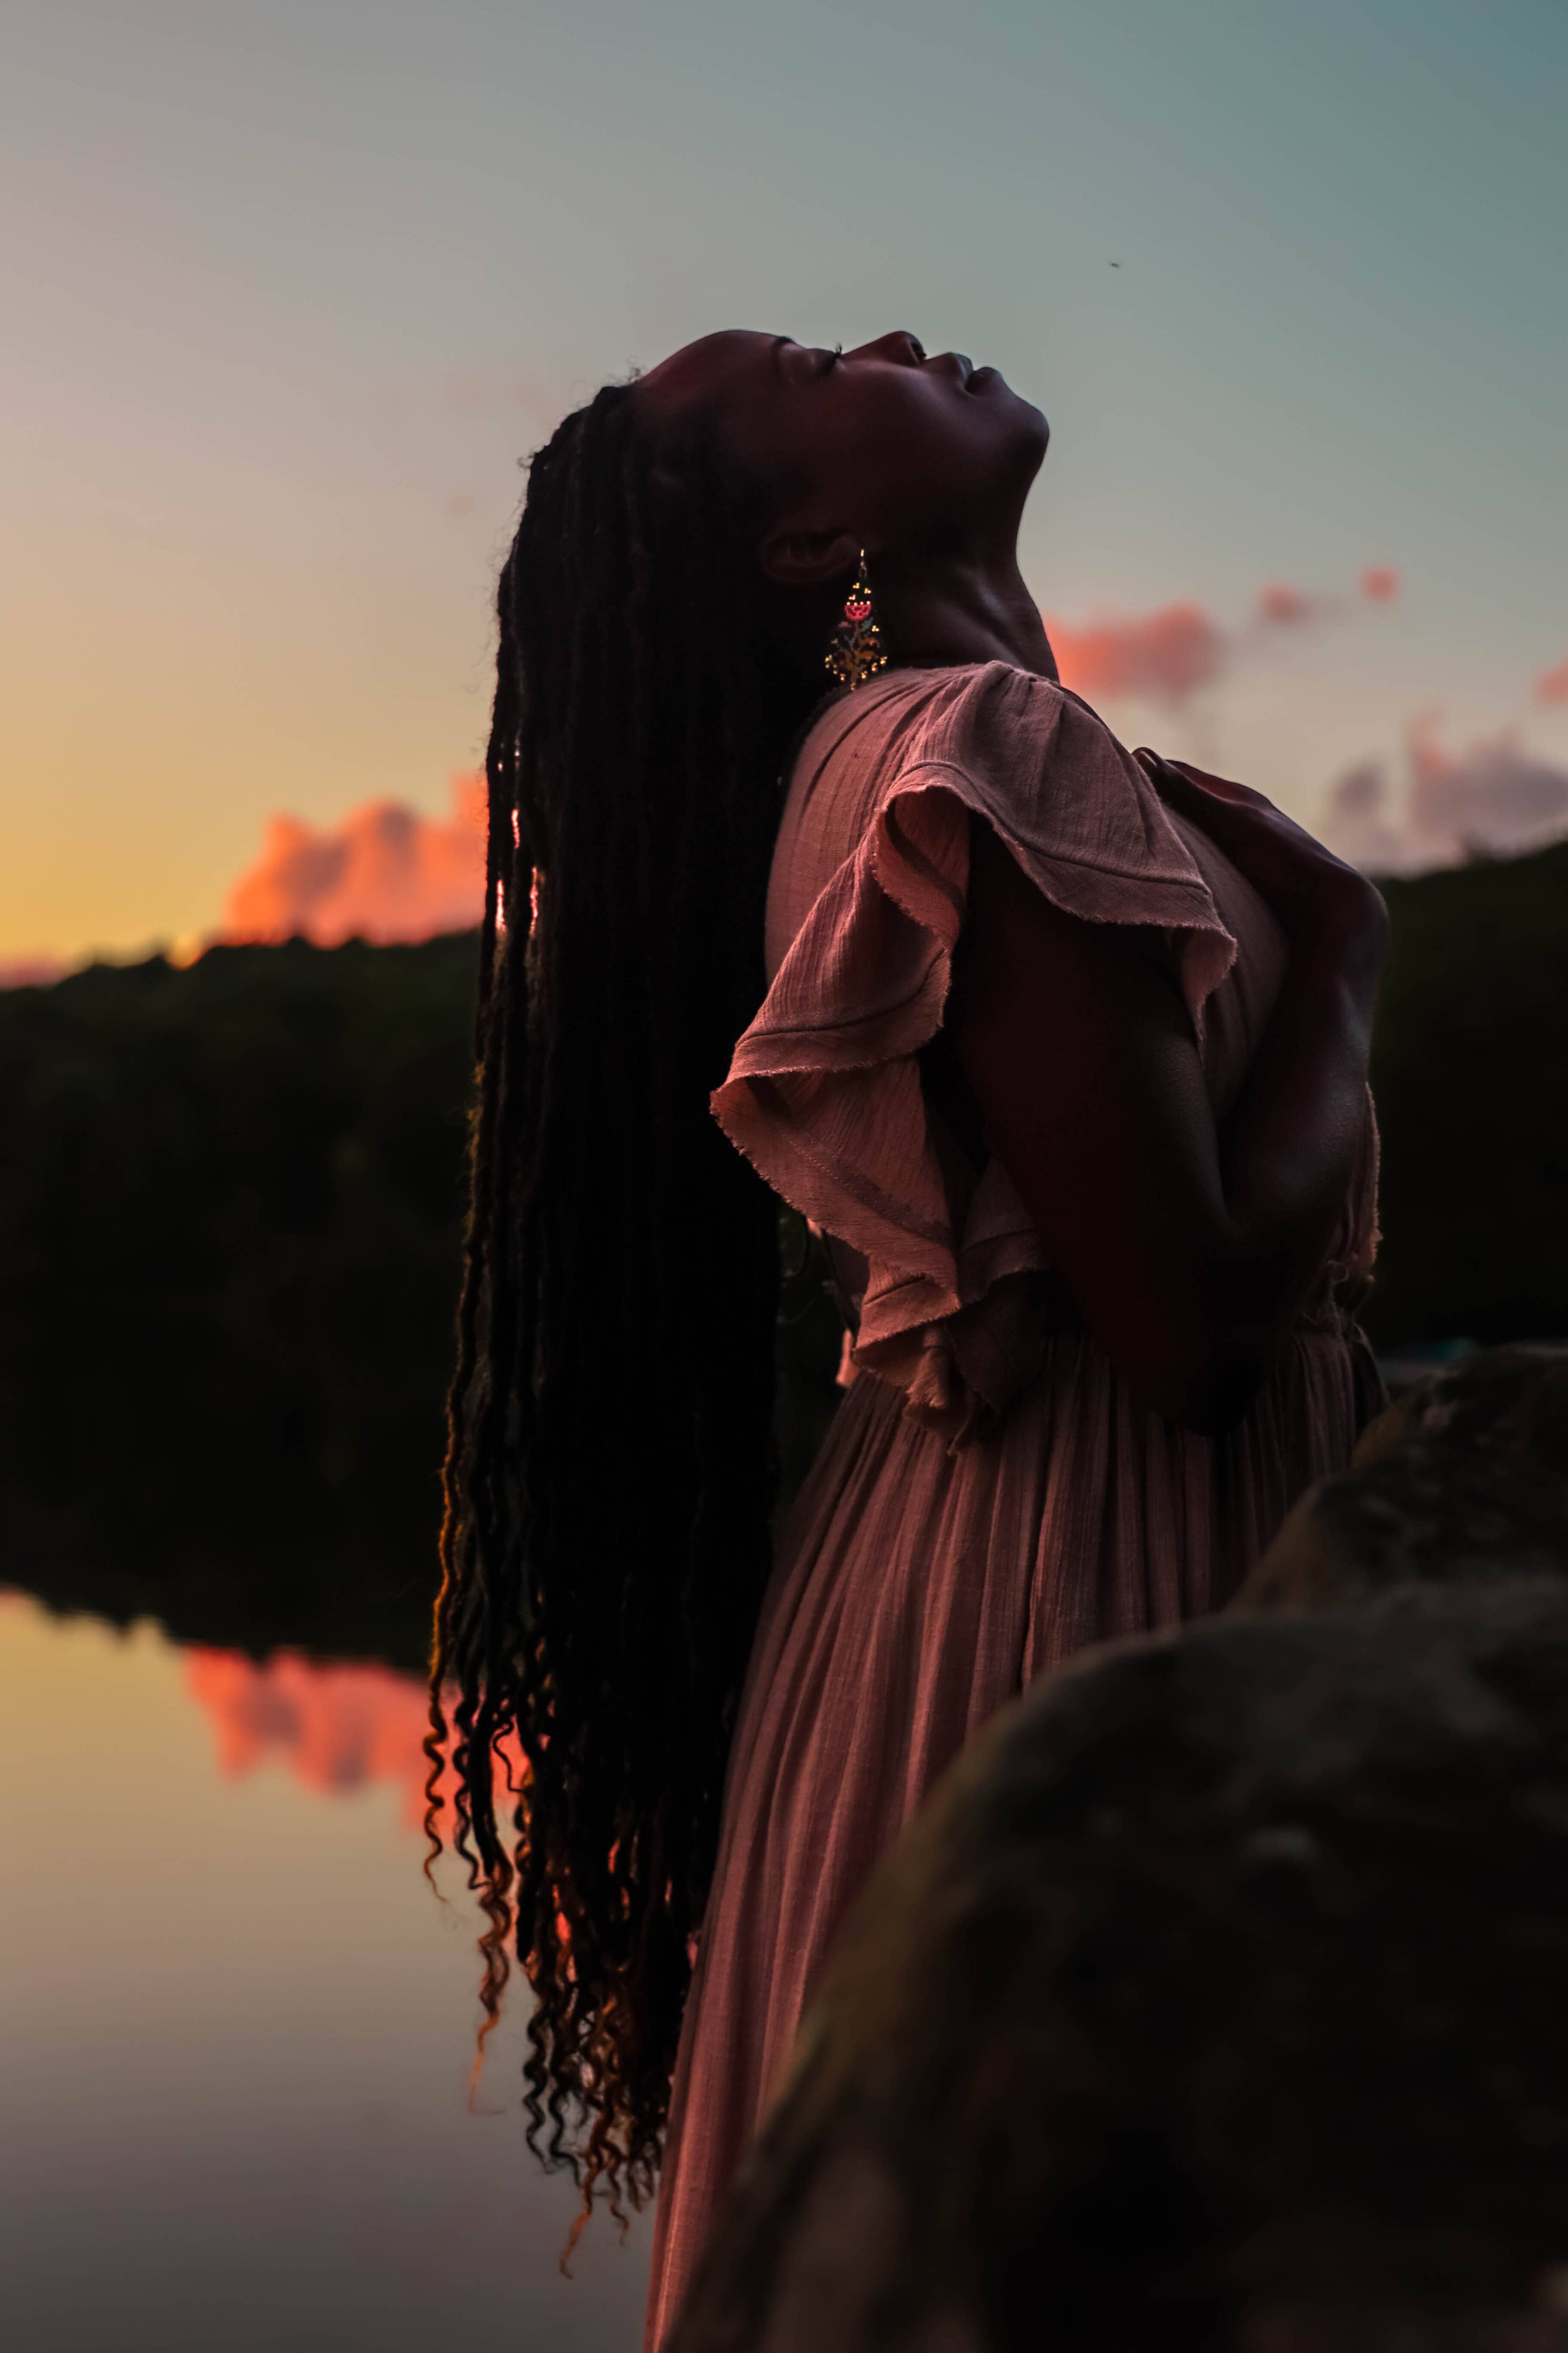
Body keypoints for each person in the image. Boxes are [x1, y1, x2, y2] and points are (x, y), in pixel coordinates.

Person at [424, 331, 1388, 2349]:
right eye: (798, 369)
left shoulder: (968, 747)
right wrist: (1348, 967)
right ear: (810, 544)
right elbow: (1189, 1324)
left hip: (1019, 1566)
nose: (881, 338)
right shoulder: (959, 751)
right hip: (1075, 1588)